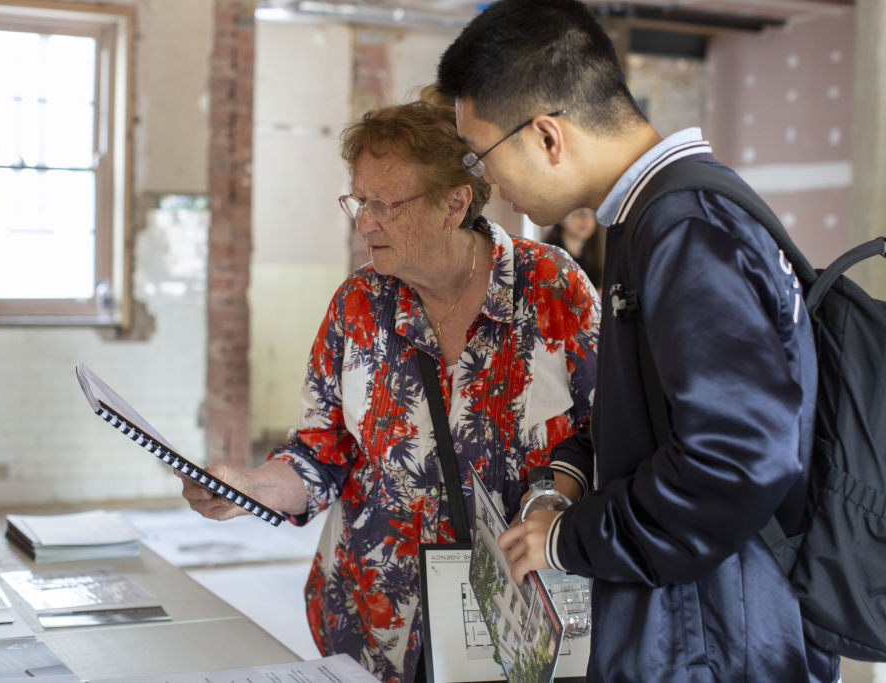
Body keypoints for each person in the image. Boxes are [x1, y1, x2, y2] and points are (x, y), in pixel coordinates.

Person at [436, 1, 840, 681]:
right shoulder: (660, 215)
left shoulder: (684, 228)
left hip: (716, 638)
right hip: (699, 623)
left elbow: (737, 456)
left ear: (546, 136)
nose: (487, 181)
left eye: (482, 155)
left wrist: (571, 538)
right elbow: (662, 416)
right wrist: (569, 474)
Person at [180, 93, 600, 683]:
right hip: (374, 625)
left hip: (511, 624)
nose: (363, 220)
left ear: (454, 204)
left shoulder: (551, 289)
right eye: (358, 199)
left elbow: (608, 438)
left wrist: (557, 503)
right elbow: (320, 452)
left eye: (383, 203)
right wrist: (249, 486)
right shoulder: (359, 304)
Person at [544, 207, 602, 287]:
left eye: (591, 213)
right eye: (578, 213)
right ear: (561, 218)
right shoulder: (547, 257)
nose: (585, 219)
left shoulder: (595, 257)